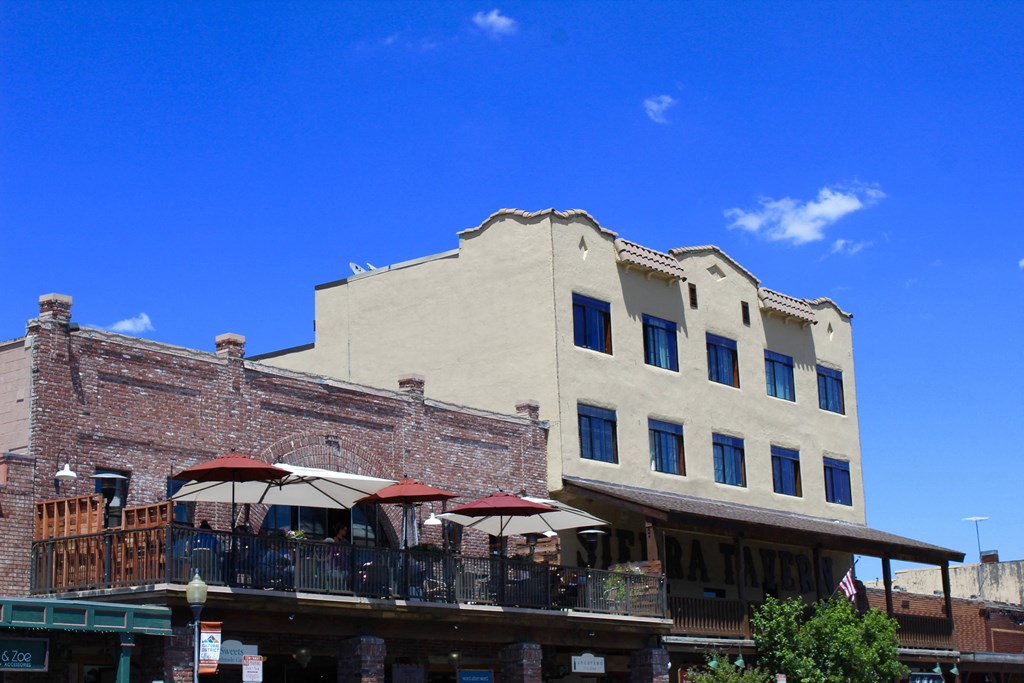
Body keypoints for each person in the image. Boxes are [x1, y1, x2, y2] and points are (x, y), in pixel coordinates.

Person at [324, 524, 351, 591]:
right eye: (344, 530)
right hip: (336, 564)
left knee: (343, 579)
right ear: (340, 530)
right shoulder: (334, 540)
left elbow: (348, 551)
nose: (345, 532)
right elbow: (330, 554)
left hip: (344, 564)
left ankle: (343, 590)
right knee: (335, 579)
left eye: (346, 530)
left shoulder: (346, 541)